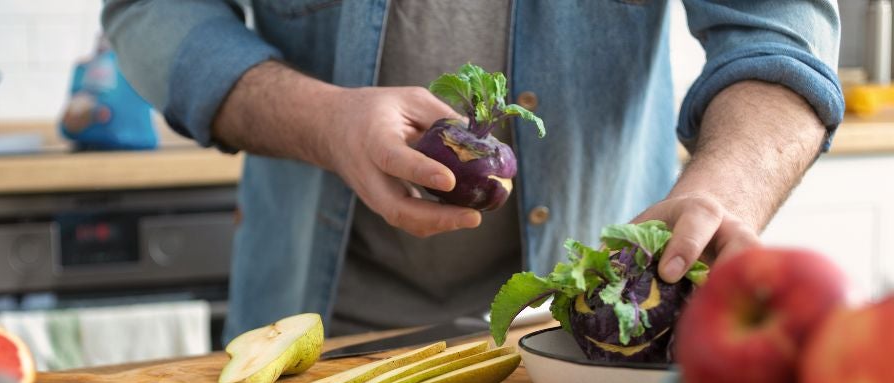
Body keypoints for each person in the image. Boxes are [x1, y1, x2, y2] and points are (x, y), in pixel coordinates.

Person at [102, 1, 842, 343]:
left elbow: (780, 26)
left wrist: (723, 189)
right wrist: (322, 120)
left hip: (584, 349)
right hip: (314, 332)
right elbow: (151, 9)